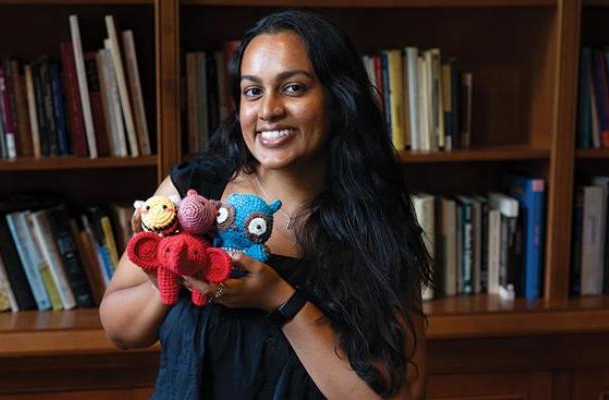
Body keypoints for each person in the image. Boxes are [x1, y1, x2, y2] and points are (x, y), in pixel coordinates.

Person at [100, 9, 432, 400]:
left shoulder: (375, 219)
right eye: (252, 91)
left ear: (338, 99)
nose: (268, 110)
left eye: (293, 88)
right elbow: (119, 331)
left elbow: (401, 392)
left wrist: (280, 300)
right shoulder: (195, 188)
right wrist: (171, 276)